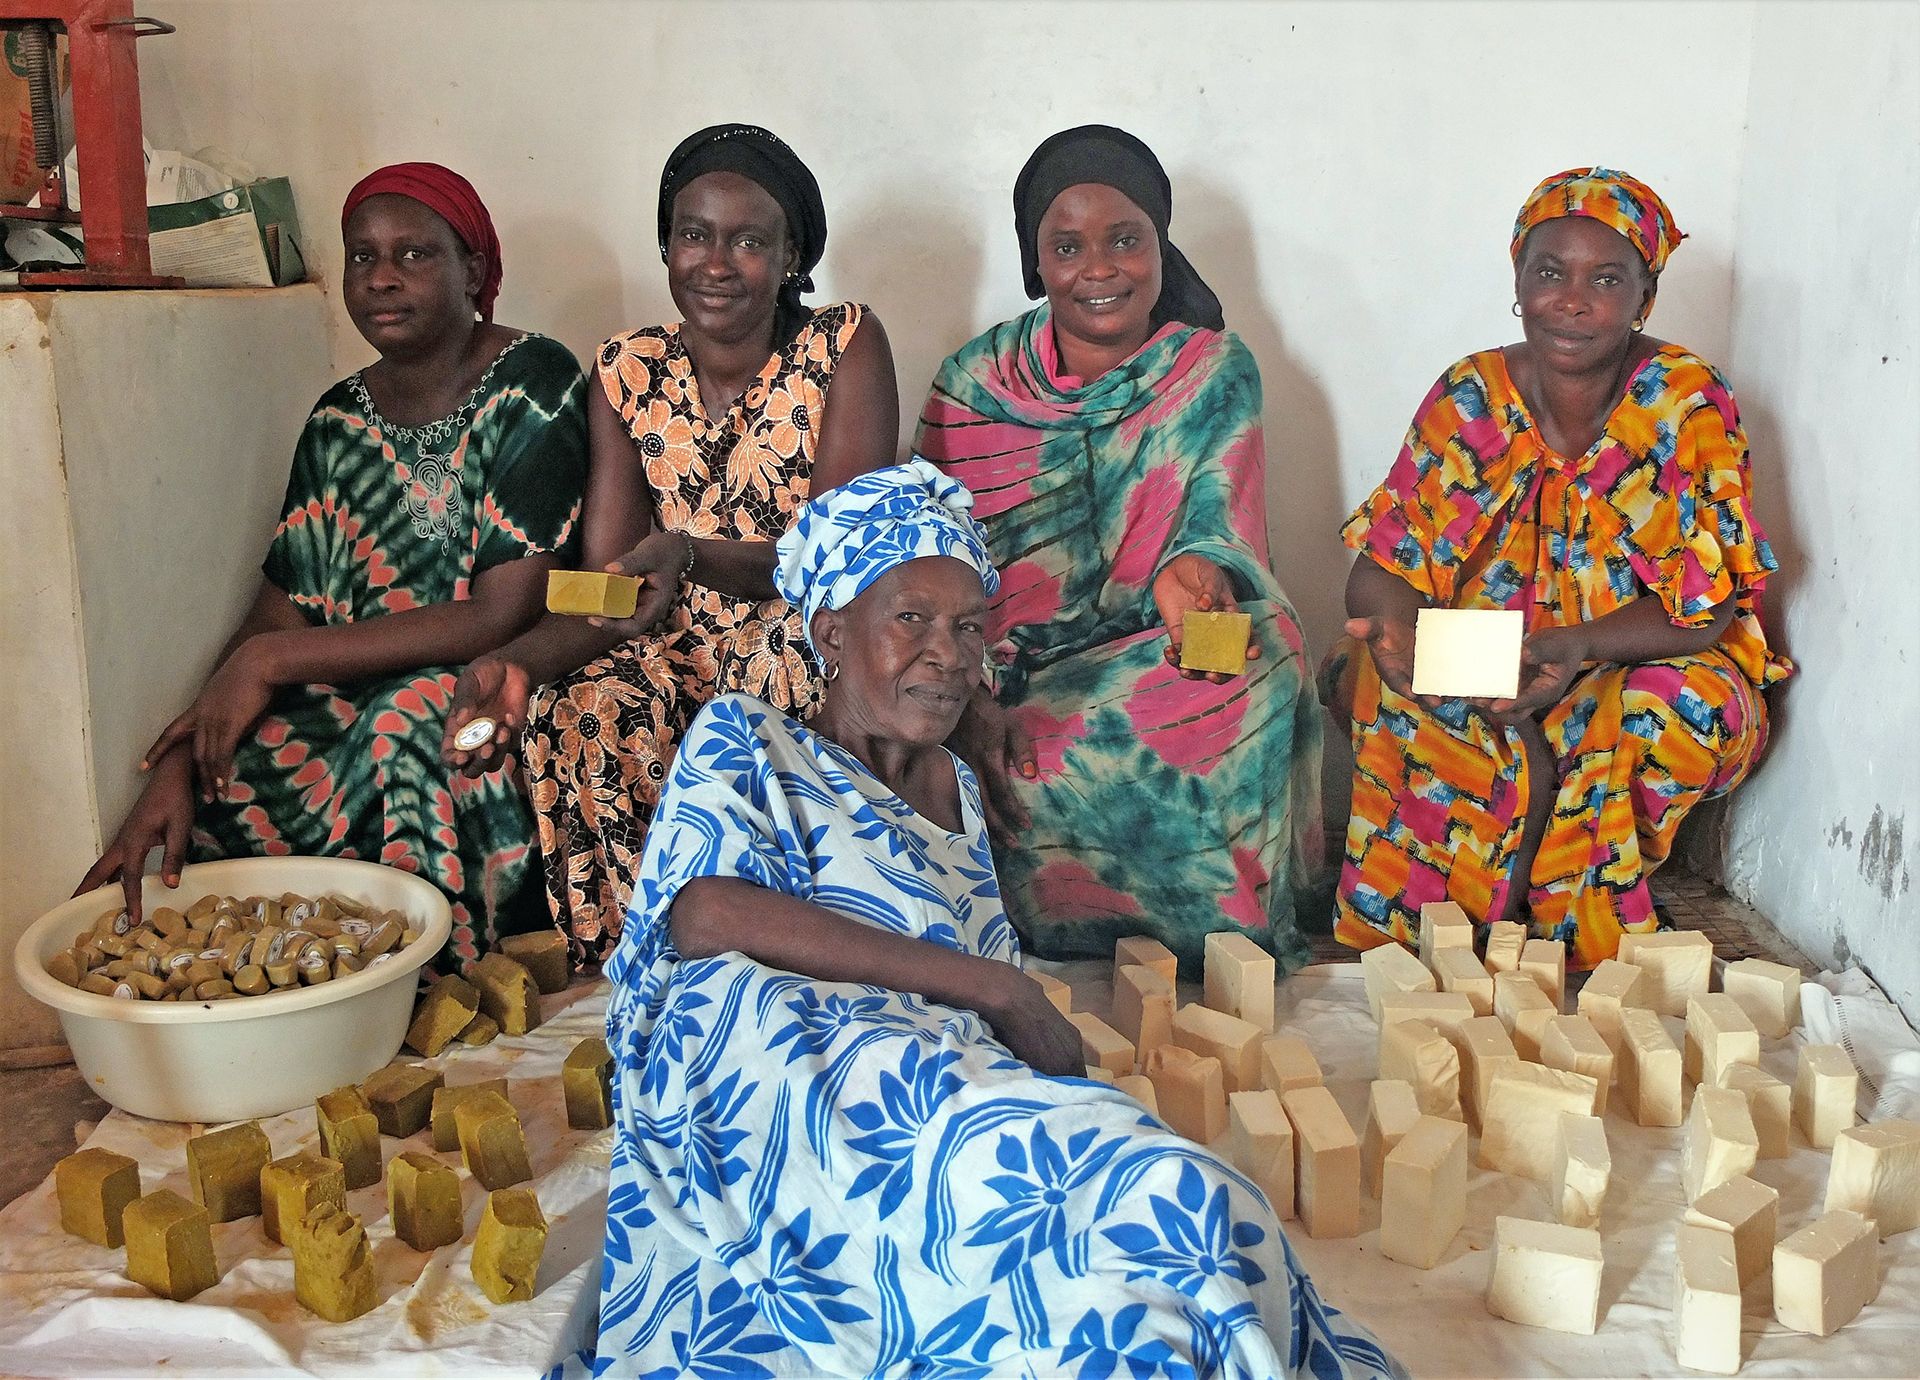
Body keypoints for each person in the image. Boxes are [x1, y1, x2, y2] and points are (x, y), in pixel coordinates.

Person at [592, 461, 1400, 1379]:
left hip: (929, 1072)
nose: (947, 652)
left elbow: (974, 1021)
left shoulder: (958, 797)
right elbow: (703, 912)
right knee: (1092, 1215)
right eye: (910, 620)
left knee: (1195, 1200)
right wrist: (997, 986)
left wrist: (1011, 1030)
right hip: (778, 1074)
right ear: (830, 629)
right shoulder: (748, 738)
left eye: (969, 628)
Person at [79, 163, 589, 962]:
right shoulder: (336, 420)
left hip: (491, 680)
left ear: (475, 273)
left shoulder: (534, 381)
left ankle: (424, 985)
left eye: (415, 255)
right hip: (349, 691)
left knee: (407, 724)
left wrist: (269, 660)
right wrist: (182, 756)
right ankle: (275, 987)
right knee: (236, 773)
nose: (383, 279)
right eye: (362, 257)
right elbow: (279, 610)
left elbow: (503, 612)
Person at [443, 124, 898, 968]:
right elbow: (610, 589)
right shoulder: (627, 367)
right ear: (665, 246)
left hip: (805, 627)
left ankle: (806, 953)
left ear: (792, 255)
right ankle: (653, 959)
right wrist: (521, 665)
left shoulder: (843, 345)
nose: (716, 262)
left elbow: (836, 560)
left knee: (788, 668)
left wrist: (689, 554)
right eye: (694, 235)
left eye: (749, 241)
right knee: (585, 706)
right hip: (672, 639)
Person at [1327, 167, 1790, 969]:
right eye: (1550, 273)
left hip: (1628, 661)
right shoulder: (1469, 394)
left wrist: (1579, 645)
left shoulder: (1684, 402)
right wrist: (1399, 631)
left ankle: (1563, 934)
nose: (1572, 300)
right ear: (1518, 282)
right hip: (1485, 664)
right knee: (1358, 674)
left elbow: (1706, 610)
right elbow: (1382, 569)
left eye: (1606, 279)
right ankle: (1440, 934)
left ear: (1644, 298)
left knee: (1677, 712)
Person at [914, 124, 1323, 975]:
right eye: (1067, 247)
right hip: (1001, 673)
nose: (1098, 269)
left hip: (1152, 655)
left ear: (1161, 249)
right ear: (1037, 264)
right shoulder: (970, 384)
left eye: (1125, 240)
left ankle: (1221, 939)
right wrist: (974, 704)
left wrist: (1193, 574)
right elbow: (927, 562)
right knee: (927, 721)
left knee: (1271, 657)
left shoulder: (1211, 369)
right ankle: (1036, 917)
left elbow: (1217, 522)